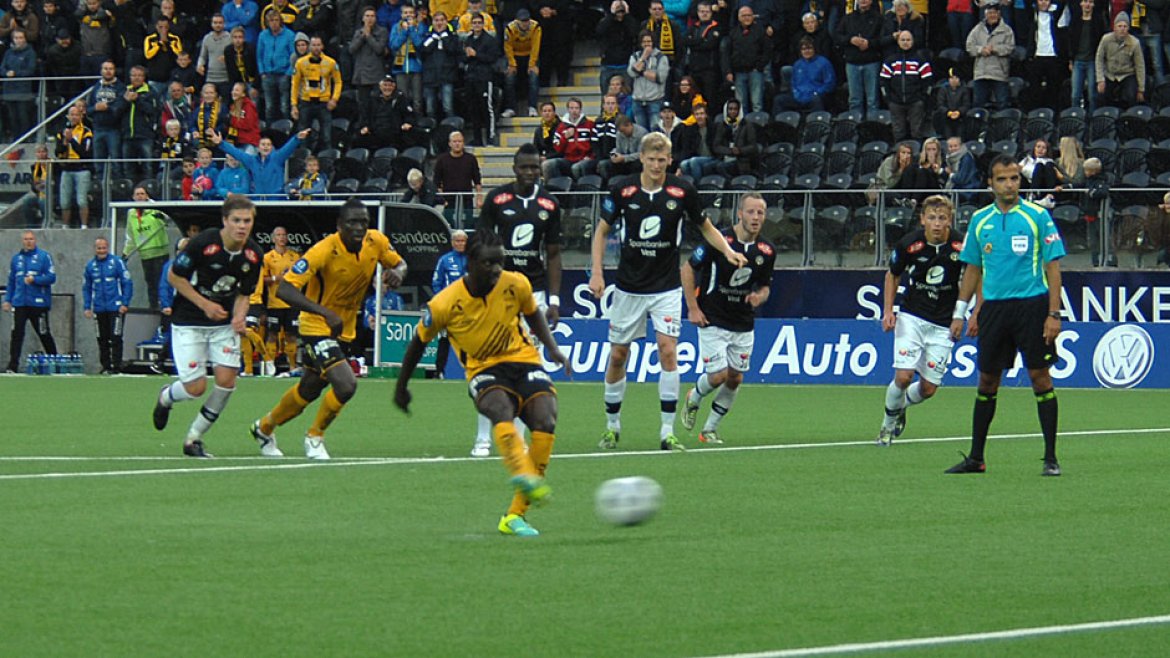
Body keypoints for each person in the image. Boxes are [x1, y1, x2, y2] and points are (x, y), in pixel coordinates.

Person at [394, 230, 571, 537]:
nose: (496, 269)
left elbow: (533, 314)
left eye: (500, 262)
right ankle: (522, 471)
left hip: (524, 360)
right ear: (471, 263)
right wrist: (401, 386)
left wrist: (553, 348)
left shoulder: (516, 283)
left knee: (546, 419)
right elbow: (417, 344)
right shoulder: (445, 303)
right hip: (483, 369)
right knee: (499, 408)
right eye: (489, 263)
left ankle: (515, 516)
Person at [589, 132, 748, 451]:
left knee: (668, 351)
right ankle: (612, 425)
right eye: (652, 159)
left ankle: (666, 431)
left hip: (665, 287)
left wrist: (728, 251)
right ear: (643, 158)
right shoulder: (623, 189)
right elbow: (602, 230)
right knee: (619, 355)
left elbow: (705, 226)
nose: (657, 165)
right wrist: (596, 271)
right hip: (629, 286)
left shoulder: (681, 190)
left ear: (669, 160)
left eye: (663, 160)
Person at [251, 199, 407, 460]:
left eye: (363, 223)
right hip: (316, 325)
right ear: (339, 225)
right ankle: (315, 436)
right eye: (352, 223)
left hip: (343, 328)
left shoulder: (376, 241)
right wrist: (324, 312)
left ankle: (264, 427)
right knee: (346, 385)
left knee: (309, 389)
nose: (359, 228)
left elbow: (399, 263)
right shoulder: (322, 251)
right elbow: (285, 288)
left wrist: (399, 273)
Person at [945, 154, 1066, 476]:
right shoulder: (980, 220)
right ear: (990, 183)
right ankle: (976, 458)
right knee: (987, 380)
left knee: (1040, 377)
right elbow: (973, 268)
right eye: (1002, 179)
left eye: (1014, 178)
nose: (1009, 184)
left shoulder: (1037, 216)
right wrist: (960, 312)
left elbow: (1053, 267)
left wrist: (1054, 313)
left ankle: (1051, 458)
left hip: (1032, 306)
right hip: (995, 309)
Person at [152, 195, 262, 457]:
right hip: (189, 321)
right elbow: (174, 277)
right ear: (225, 221)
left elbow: (244, 294)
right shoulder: (203, 243)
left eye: (247, 221)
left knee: (227, 381)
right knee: (195, 388)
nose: (242, 226)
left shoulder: (253, 254)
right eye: (236, 220)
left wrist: (239, 316)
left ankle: (194, 439)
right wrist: (205, 305)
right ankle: (166, 397)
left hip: (222, 326)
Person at [475, 143, 563, 457]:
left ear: (540, 169)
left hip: (534, 290)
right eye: (523, 167)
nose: (529, 173)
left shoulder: (549, 204)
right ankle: (484, 438)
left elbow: (553, 254)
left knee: (528, 365)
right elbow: (481, 247)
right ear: (514, 168)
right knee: (492, 360)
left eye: (534, 168)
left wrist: (554, 299)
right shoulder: (497, 199)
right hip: (498, 289)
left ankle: (519, 439)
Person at [679, 193, 775, 445]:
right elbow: (688, 268)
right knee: (719, 375)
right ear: (739, 214)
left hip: (743, 323)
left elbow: (765, 286)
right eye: (751, 212)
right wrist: (692, 308)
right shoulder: (719, 241)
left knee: (736, 377)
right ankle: (694, 397)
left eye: (760, 213)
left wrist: (759, 297)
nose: (756, 217)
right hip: (712, 317)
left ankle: (709, 429)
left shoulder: (766, 250)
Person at [875, 195, 966, 445]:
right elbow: (892, 275)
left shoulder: (961, 245)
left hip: (943, 323)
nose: (937, 223)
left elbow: (975, 276)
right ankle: (887, 426)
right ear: (923, 219)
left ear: (950, 220)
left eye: (942, 218)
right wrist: (888, 311)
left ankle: (900, 407)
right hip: (912, 316)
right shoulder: (909, 244)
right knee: (903, 377)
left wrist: (970, 313)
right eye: (932, 218)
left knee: (928, 390)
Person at [4, 231, 58, 373]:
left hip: (38, 304)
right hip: (20, 303)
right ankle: (13, 365)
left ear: (35, 240)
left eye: (31, 239)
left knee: (44, 333)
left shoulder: (44, 257)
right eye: (26, 239)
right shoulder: (17, 259)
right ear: (22, 241)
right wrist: (7, 300)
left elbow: (51, 277)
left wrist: (35, 280)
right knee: (16, 334)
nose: (29, 242)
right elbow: (11, 282)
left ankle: (55, 362)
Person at [212, 127, 309, 198]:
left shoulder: (277, 158)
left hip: (276, 200)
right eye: (263, 144)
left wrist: (297, 138)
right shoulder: (252, 161)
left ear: (271, 148)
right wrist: (221, 143)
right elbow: (237, 153)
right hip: (257, 200)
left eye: (268, 145)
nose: (266, 147)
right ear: (258, 147)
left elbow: (288, 148)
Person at [83, 237, 133, 374]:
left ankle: (117, 366)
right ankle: (105, 366)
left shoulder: (117, 262)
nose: (101, 251)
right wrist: (87, 307)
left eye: (104, 248)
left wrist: (125, 303)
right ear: (95, 249)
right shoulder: (90, 266)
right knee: (102, 338)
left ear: (108, 247)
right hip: (99, 308)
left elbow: (127, 283)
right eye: (99, 248)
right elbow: (86, 287)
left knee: (116, 337)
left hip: (116, 308)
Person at [258, 226, 301, 376]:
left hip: (291, 302)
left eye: (284, 235)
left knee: (291, 335)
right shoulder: (268, 257)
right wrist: (277, 278)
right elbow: (262, 279)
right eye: (278, 235)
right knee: (272, 334)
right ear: (273, 238)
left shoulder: (295, 257)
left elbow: (302, 275)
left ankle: (292, 367)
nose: (282, 237)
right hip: (274, 302)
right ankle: (271, 366)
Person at [122, 186, 171, 310]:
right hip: (145, 254)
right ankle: (153, 307)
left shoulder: (155, 209)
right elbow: (131, 236)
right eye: (137, 194)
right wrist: (125, 253)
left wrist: (157, 210)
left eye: (142, 194)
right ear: (133, 197)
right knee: (150, 283)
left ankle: (164, 305)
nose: (140, 196)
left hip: (160, 252)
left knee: (162, 282)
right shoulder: (131, 214)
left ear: (147, 196)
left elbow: (168, 217)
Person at [291, 35, 342, 151]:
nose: (316, 48)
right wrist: (294, 105)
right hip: (305, 102)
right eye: (313, 45)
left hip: (324, 103)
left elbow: (338, 82)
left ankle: (327, 161)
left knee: (326, 136)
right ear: (309, 47)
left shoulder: (331, 63)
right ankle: (304, 161)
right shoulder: (300, 63)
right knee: (303, 136)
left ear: (322, 46)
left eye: (318, 45)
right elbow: (295, 85)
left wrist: (334, 99)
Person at [834, 0, 884, 117]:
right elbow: (837, 36)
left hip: (872, 62)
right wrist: (850, 40)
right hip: (852, 63)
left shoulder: (879, 18)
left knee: (873, 99)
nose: (863, 1)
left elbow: (883, 40)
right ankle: (854, 126)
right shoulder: (847, 18)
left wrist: (869, 43)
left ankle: (873, 126)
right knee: (854, 100)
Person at [879, 30, 932, 142]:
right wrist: (888, 99)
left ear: (913, 41)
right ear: (898, 42)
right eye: (902, 40)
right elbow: (883, 82)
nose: (905, 42)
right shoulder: (890, 61)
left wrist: (922, 98)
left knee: (917, 133)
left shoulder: (920, 60)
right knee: (898, 134)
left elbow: (928, 82)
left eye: (908, 40)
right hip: (896, 103)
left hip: (916, 103)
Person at [430, 228, 467, 381]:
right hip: (449, 307)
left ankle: (469, 371)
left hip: (467, 307)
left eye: (463, 241)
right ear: (452, 243)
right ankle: (439, 371)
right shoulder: (445, 260)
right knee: (444, 339)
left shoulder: (472, 260)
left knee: (466, 339)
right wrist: (442, 301)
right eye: (457, 241)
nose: (460, 244)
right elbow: (436, 282)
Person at [721, 5, 770, 114]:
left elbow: (767, 51)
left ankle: (757, 126)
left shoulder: (760, 31)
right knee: (740, 105)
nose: (747, 18)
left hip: (755, 72)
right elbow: (726, 54)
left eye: (749, 15)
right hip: (738, 73)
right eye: (744, 15)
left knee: (757, 103)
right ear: (739, 17)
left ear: (753, 16)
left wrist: (759, 67)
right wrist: (728, 71)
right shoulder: (733, 33)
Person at [966, 4, 1015, 110]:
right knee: (978, 104)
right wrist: (981, 50)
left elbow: (1010, 48)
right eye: (989, 13)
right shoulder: (977, 29)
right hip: (981, 73)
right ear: (985, 14)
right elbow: (969, 46)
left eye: (994, 13)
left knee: (1002, 104)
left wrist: (994, 49)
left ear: (999, 14)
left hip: (999, 73)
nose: (992, 15)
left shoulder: (1007, 30)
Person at [463, 13, 501, 146]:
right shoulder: (468, 39)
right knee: (473, 109)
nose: (477, 25)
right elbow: (464, 58)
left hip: (484, 78)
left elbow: (493, 58)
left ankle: (491, 137)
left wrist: (476, 54)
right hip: (470, 78)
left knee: (487, 108)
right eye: (474, 23)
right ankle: (477, 139)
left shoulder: (490, 40)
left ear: (483, 24)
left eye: (479, 22)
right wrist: (467, 55)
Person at [1095, 12, 1146, 109]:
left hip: (1127, 74)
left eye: (1125, 26)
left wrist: (1141, 89)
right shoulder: (1105, 39)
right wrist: (1100, 79)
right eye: (1119, 26)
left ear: (1128, 28)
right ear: (1114, 27)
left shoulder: (1135, 43)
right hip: (1110, 74)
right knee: (1101, 95)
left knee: (1131, 96)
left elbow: (1140, 66)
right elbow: (1099, 59)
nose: (1122, 29)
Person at [774, 36, 836, 113]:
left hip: (815, 96)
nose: (807, 51)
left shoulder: (824, 63)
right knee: (779, 100)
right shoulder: (797, 64)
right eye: (804, 49)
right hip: (799, 96)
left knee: (817, 100)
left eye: (809, 48)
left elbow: (829, 84)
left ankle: (816, 123)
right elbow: (793, 83)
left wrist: (816, 93)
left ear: (814, 49)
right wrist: (796, 93)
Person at [55, 105, 93, 230]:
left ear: (81, 116)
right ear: (68, 116)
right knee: (64, 201)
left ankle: (84, 225)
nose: (74, 117)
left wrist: (72, 140)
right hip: (66, 169)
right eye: (72, 114)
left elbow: (85, 153)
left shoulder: (86, 131)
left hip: (81, 169)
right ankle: (65, 225)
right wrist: (65, 142)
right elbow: (58, 152)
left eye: (77, 114)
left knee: (81, 200)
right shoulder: (62, 132)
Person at [432, 131, 482, 221]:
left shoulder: (471, 159)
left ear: (463, 143)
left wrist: (479, 198)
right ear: (450, 143)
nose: (457, 144)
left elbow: (477, 180)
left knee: (469, 222)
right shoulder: (442, 160)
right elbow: (437, 182)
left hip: (467, 197)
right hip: (449, 198)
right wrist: (442, 199)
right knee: (449, 223)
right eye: (454, 141)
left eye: (460, 141)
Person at [502, 8, 542, 118]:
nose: (525, 24)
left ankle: (532, 107)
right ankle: (510, 108)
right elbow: (508, 47)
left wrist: (532, 64)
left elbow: (535, 46)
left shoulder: (535, 27)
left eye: (526, 21)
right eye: (522, 21)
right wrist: (512, 63)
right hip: (514, 55)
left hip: (529, 54)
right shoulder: (510, 28)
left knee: (534, 77)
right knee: (509, 78)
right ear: (517, 21)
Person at [628, 29, 670, 130]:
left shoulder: (661, 57)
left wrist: (641, 72)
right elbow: (631, 72)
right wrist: (643, 57)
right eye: (644, 42)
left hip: (654, 100)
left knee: (655, 129)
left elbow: (660, 77)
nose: (646, 44)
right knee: (641, 130)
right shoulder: (635, 56)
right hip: (638, 101)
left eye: (649, 41)